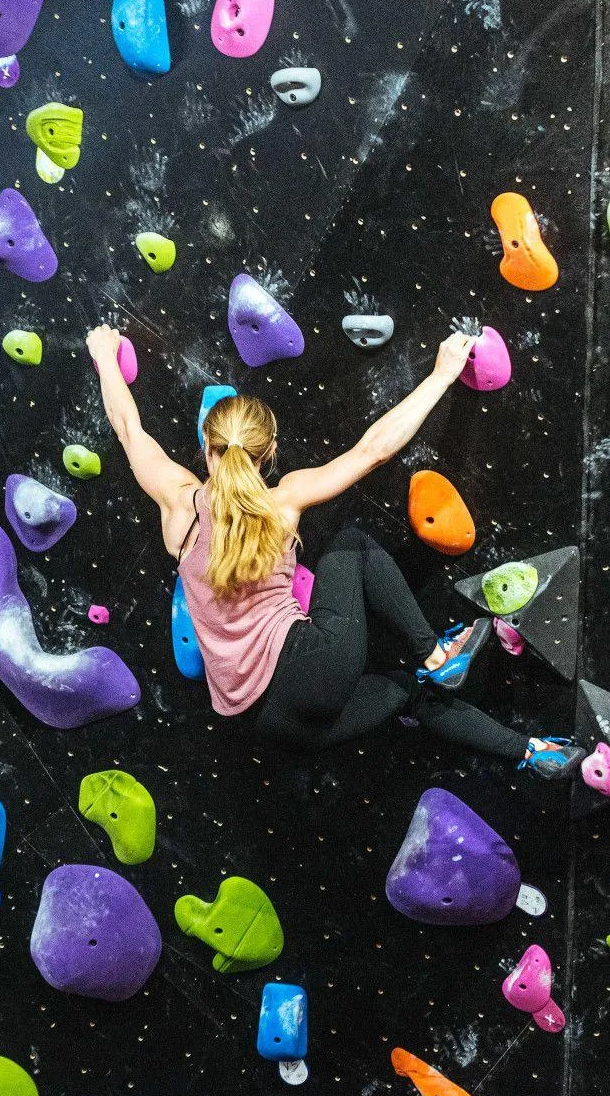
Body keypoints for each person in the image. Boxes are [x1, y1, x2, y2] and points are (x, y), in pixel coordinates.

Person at [84, 323, 578, 778]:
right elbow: (374, 450)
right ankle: (435, 652)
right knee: (353, 545)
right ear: (270, 451)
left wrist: (104, 355)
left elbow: (128, 428)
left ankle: (532, 753)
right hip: (310, 667)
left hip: (268, 721)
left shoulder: (179, 509)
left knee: (408, 696)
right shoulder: (282, 503)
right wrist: (442, 375)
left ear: (207, 449)